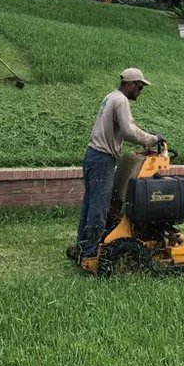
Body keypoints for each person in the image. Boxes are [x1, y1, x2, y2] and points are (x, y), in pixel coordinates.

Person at [74, 68, 161, 271]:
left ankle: (83, 247)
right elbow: (129, 130)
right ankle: (89, 255)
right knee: (99, 208)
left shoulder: (110, 97)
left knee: (89, 205)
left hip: (93, 156)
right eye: (139, 87)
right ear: (130, 84)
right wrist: (153, 139)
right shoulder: (120, 100)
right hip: (102, 159)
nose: (140, 91)